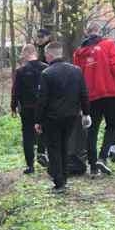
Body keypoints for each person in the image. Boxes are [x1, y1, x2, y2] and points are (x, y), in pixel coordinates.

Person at [73, 28, 115, 176]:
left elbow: (77, 76)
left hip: (90, 96)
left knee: (92, 130)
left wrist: (79, 99)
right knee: (113, 125)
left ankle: (93, 167)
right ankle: (102, 157)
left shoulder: (79, 53)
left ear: (86, 33)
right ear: (99, 31)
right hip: (110, 93)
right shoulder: (108, 44)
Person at [35, 45, 89, 190]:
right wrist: (86, 112)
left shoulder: (46, 73)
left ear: (50, 55)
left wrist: (38, 120)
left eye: (46, 55)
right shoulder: (76, 71)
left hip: (52, 117)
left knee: (53, 148)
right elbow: (83, 93)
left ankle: (59, 181)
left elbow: (42, 100)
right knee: (64, 145)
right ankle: (64, 177)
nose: (45, 57)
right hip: (71, 115)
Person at [9, 44, 47, 173]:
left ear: (25, 54)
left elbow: (15, 91)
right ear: (35, 53)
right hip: (43, 107)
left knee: (27, 135)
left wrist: (13, 106)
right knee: (44, 130)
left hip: (27, 108)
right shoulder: (45, 68)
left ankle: (30, 165)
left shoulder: (21, 71)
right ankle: (42, 153)